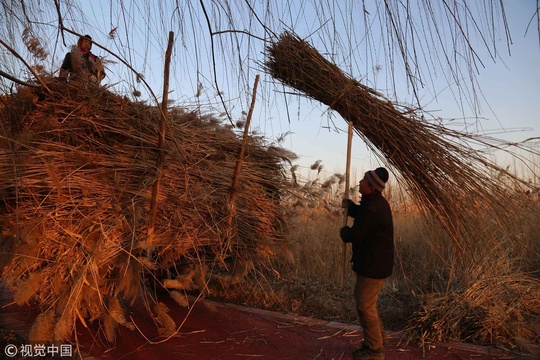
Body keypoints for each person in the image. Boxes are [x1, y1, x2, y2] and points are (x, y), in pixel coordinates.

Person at [340, 167, 394, 360]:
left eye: (363, 180)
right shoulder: (374, 203)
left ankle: (374, 350)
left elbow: (358, 234)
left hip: (373, 266)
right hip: (375, 263)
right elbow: (363, 215)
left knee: (365, 305)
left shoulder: (373, 207)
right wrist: (351, 207)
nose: (360, 182)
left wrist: (344, 233)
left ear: (371, 187)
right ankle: (377, 340)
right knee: (368, 303)